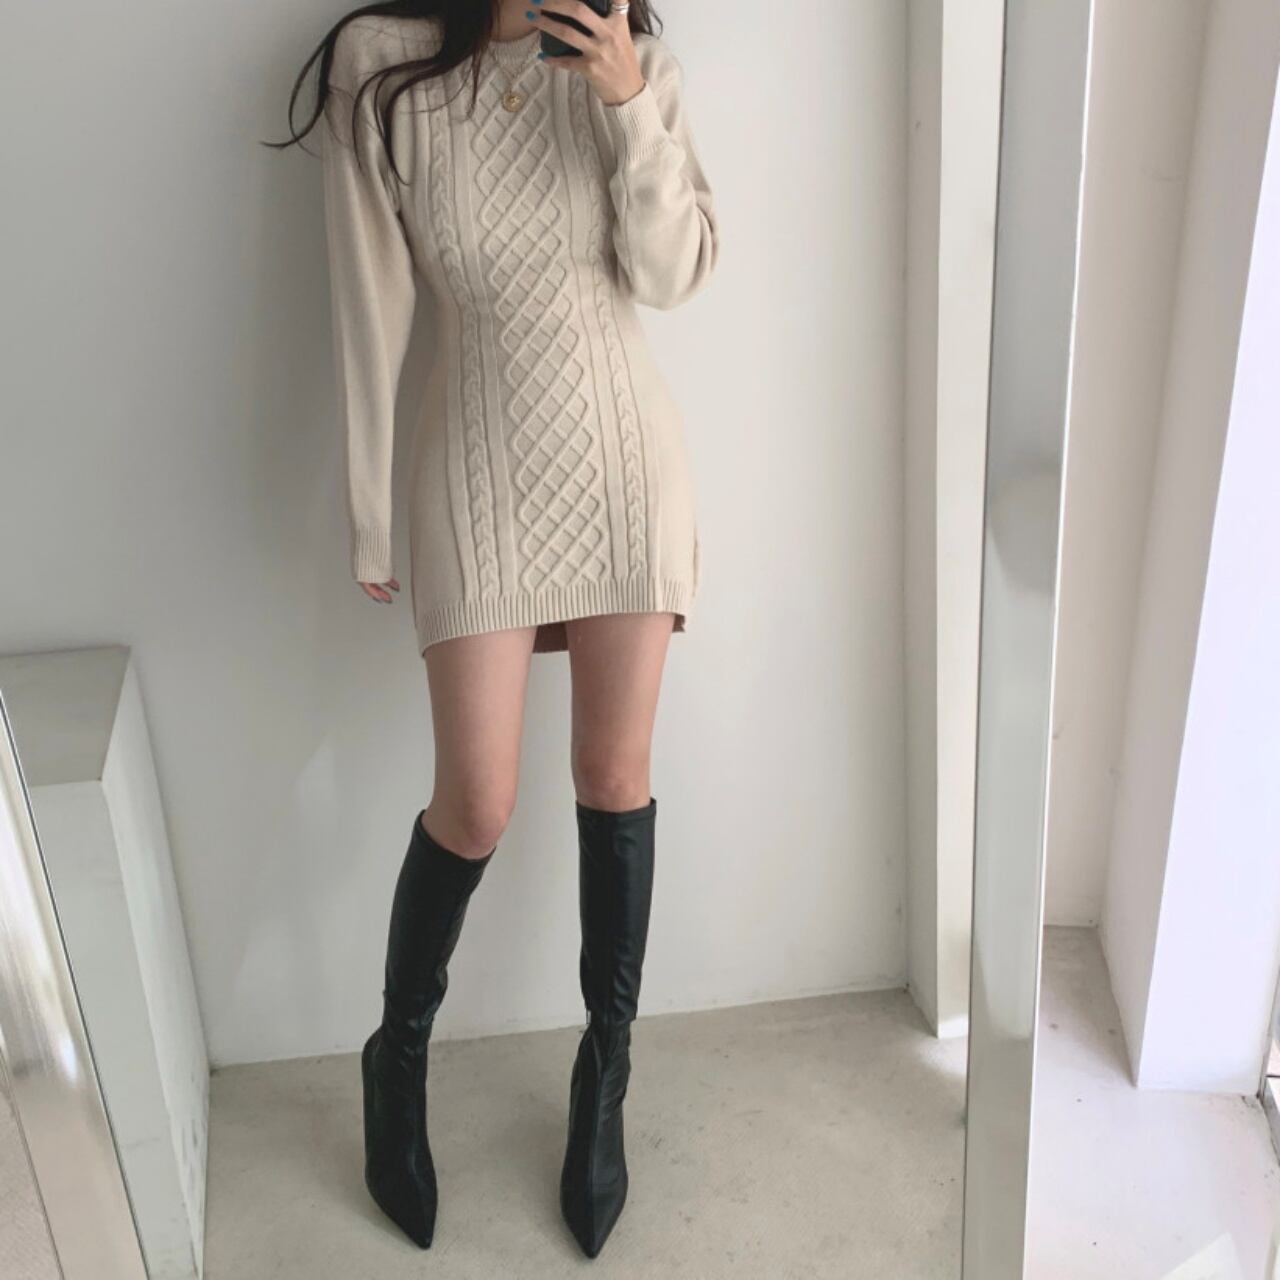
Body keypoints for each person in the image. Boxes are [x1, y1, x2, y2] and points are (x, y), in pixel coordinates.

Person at [284, 0, 718, 1258]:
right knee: (474, 802)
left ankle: (604, 1077)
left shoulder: (636, 67)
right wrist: (371, 509)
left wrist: (626, 98)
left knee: (614, 776)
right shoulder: (384, 70)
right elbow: (369, 302)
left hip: (624, 463)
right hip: (474, 464)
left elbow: (672, 274)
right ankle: (397, 1055)